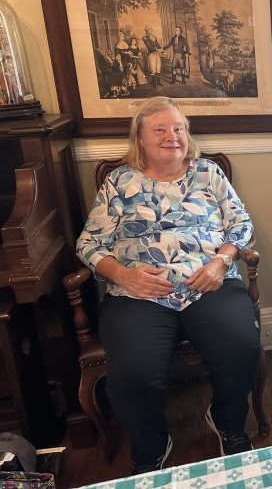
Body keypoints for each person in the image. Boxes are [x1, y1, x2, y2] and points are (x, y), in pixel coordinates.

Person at [76, 96, 259, 474]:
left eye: (178, 128)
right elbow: (88, 243)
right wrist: (124, 275)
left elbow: (241, 225)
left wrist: (221, 262)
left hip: (208, 284)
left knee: (240, 346)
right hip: (138, 296)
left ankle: (227, 422)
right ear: (140, 139)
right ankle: (151, 443)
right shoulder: (120, 181)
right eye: (159, 129)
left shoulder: (208, 173)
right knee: (134, 372)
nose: (171, 136)